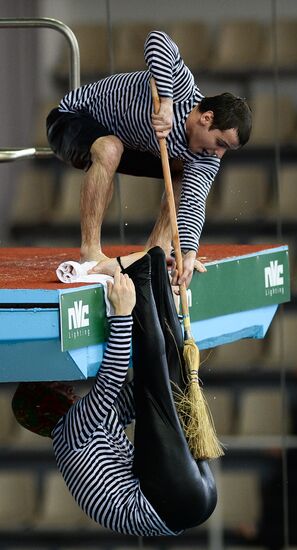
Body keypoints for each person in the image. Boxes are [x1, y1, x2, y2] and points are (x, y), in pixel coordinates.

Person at [12, 246, 217, 536]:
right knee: (155, 381)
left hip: (195, 497)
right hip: (170, 499)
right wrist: (122, 314)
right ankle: (141, 276)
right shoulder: (72, 430)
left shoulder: (91, 429)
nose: (67, 388)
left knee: (168, 382)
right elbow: (113, 379)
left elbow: (145, 391)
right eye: (56, 387)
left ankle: (157, 269)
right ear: (49, 403)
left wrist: (164, 311)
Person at [46, 30, 252, 288]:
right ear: (206, 118)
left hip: (126, 143)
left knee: (180, 169)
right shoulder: (182, 88)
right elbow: (157, 40)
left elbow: (194, 203)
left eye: (226, 150)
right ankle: (90, 251)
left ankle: (158, 248)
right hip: (73, 119)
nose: (218, 154)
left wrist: (187, 254)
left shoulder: (204, 158)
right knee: (110, 148)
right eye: (220, 143)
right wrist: (166, 102)